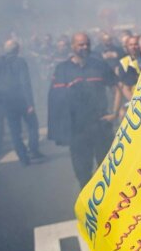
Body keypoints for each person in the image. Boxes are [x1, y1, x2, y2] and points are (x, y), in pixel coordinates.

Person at [48, 33, 120, 187]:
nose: (85, 47)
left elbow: (116, 88)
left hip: (100, 124)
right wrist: (61, 128)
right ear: (73, 46)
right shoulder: (62, 69)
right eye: (81, 44)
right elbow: (55, 100)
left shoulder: (99, 65)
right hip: (77, 129)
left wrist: (114, 113)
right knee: (82, 173)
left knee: (108, 171)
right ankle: (88, 199)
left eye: (87, 44)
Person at [0, 40, 43, 165]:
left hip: (6, 101)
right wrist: (30, 103)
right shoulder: (20, 61)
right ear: (17, 49)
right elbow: (25, 82)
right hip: (21, 99)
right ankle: (33, 150)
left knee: (14, 131)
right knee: (32, 125)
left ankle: (22, 157)